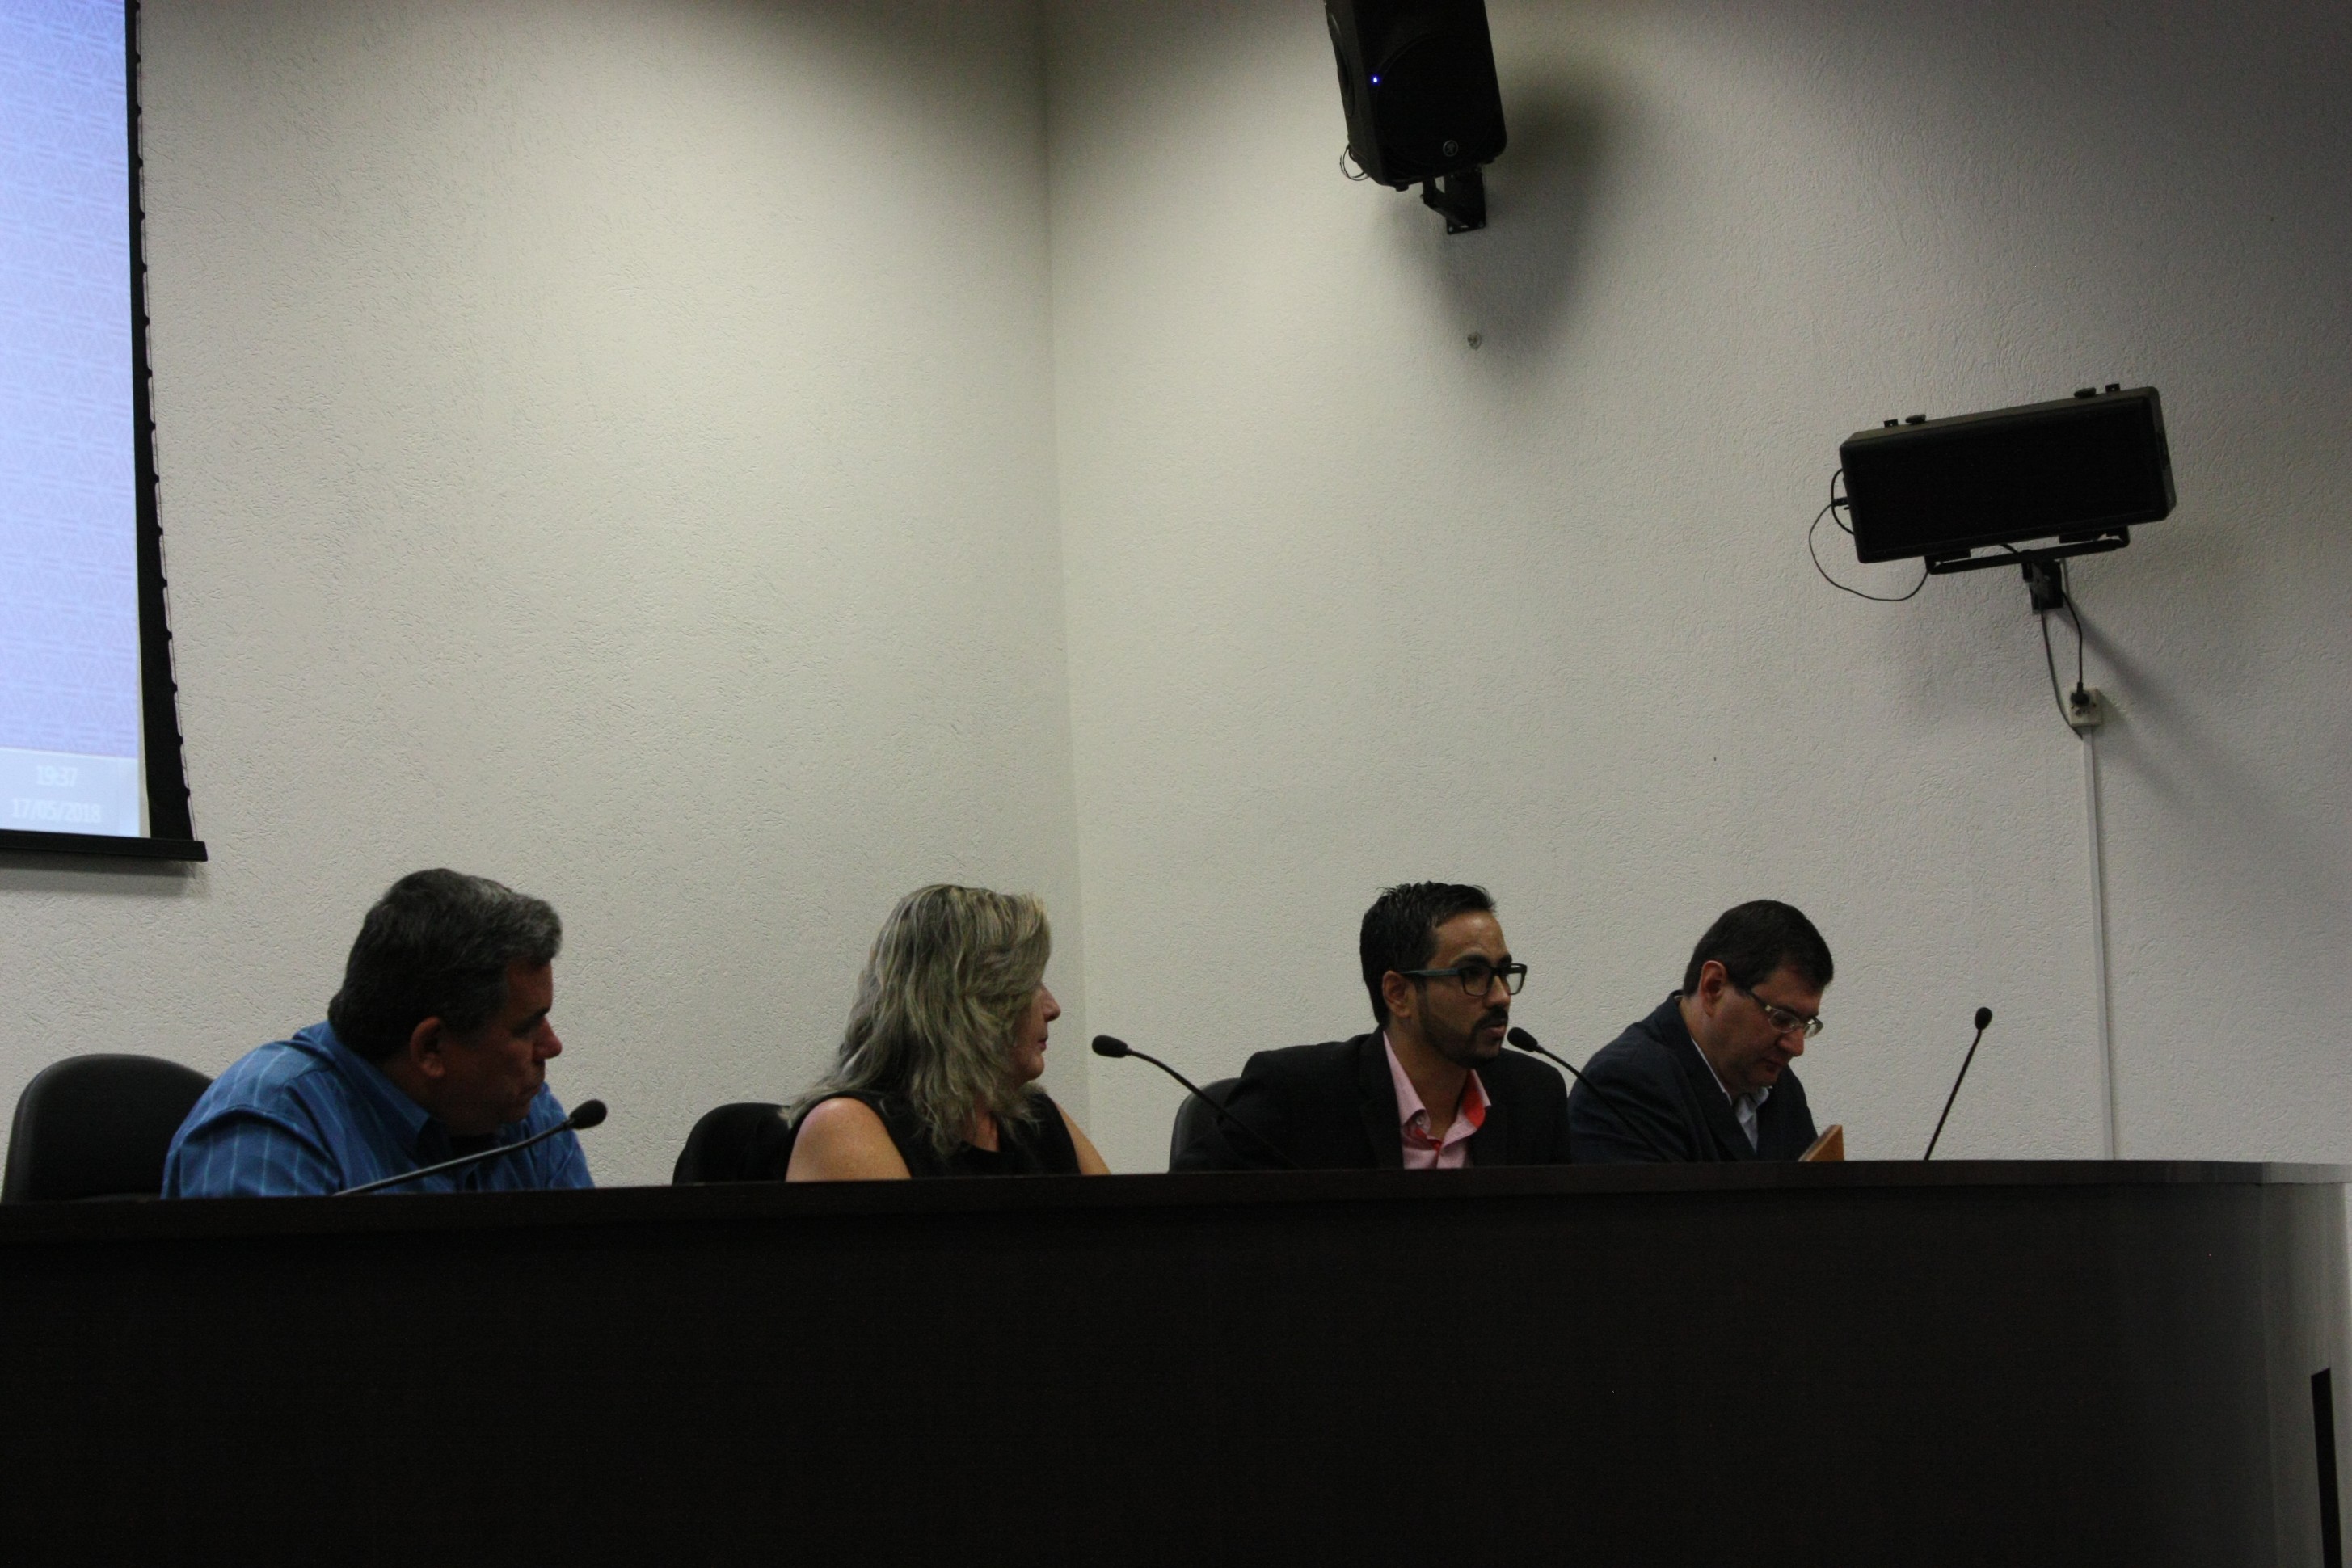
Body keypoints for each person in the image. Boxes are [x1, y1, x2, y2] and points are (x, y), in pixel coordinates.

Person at [164, 869, 592, 1197]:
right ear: (431, 1048)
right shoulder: (267, 1129)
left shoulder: (526, 1114)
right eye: (527, 1027)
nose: (551, 1046)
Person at [1171, 882, 1572, 1171]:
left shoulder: (1534, 1095)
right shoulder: (1297, 1094)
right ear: (1398, 994)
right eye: (1472, 973)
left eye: (1504, 972)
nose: (1501, 996)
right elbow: (1182, 1221)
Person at [787, 884, 1110, 1179]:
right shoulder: (847, 1126)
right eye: (1031, 984)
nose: (1053, 1008)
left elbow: (1122, 1222)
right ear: (974, 1001)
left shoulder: (1036, 1118)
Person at [1569, 900, 1831, 1162]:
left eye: (1806, 1024)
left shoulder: (1780, 1088)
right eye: (1782, 1018)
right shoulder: (1626, 1084)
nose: (1796, 1047)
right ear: (1713, 987)